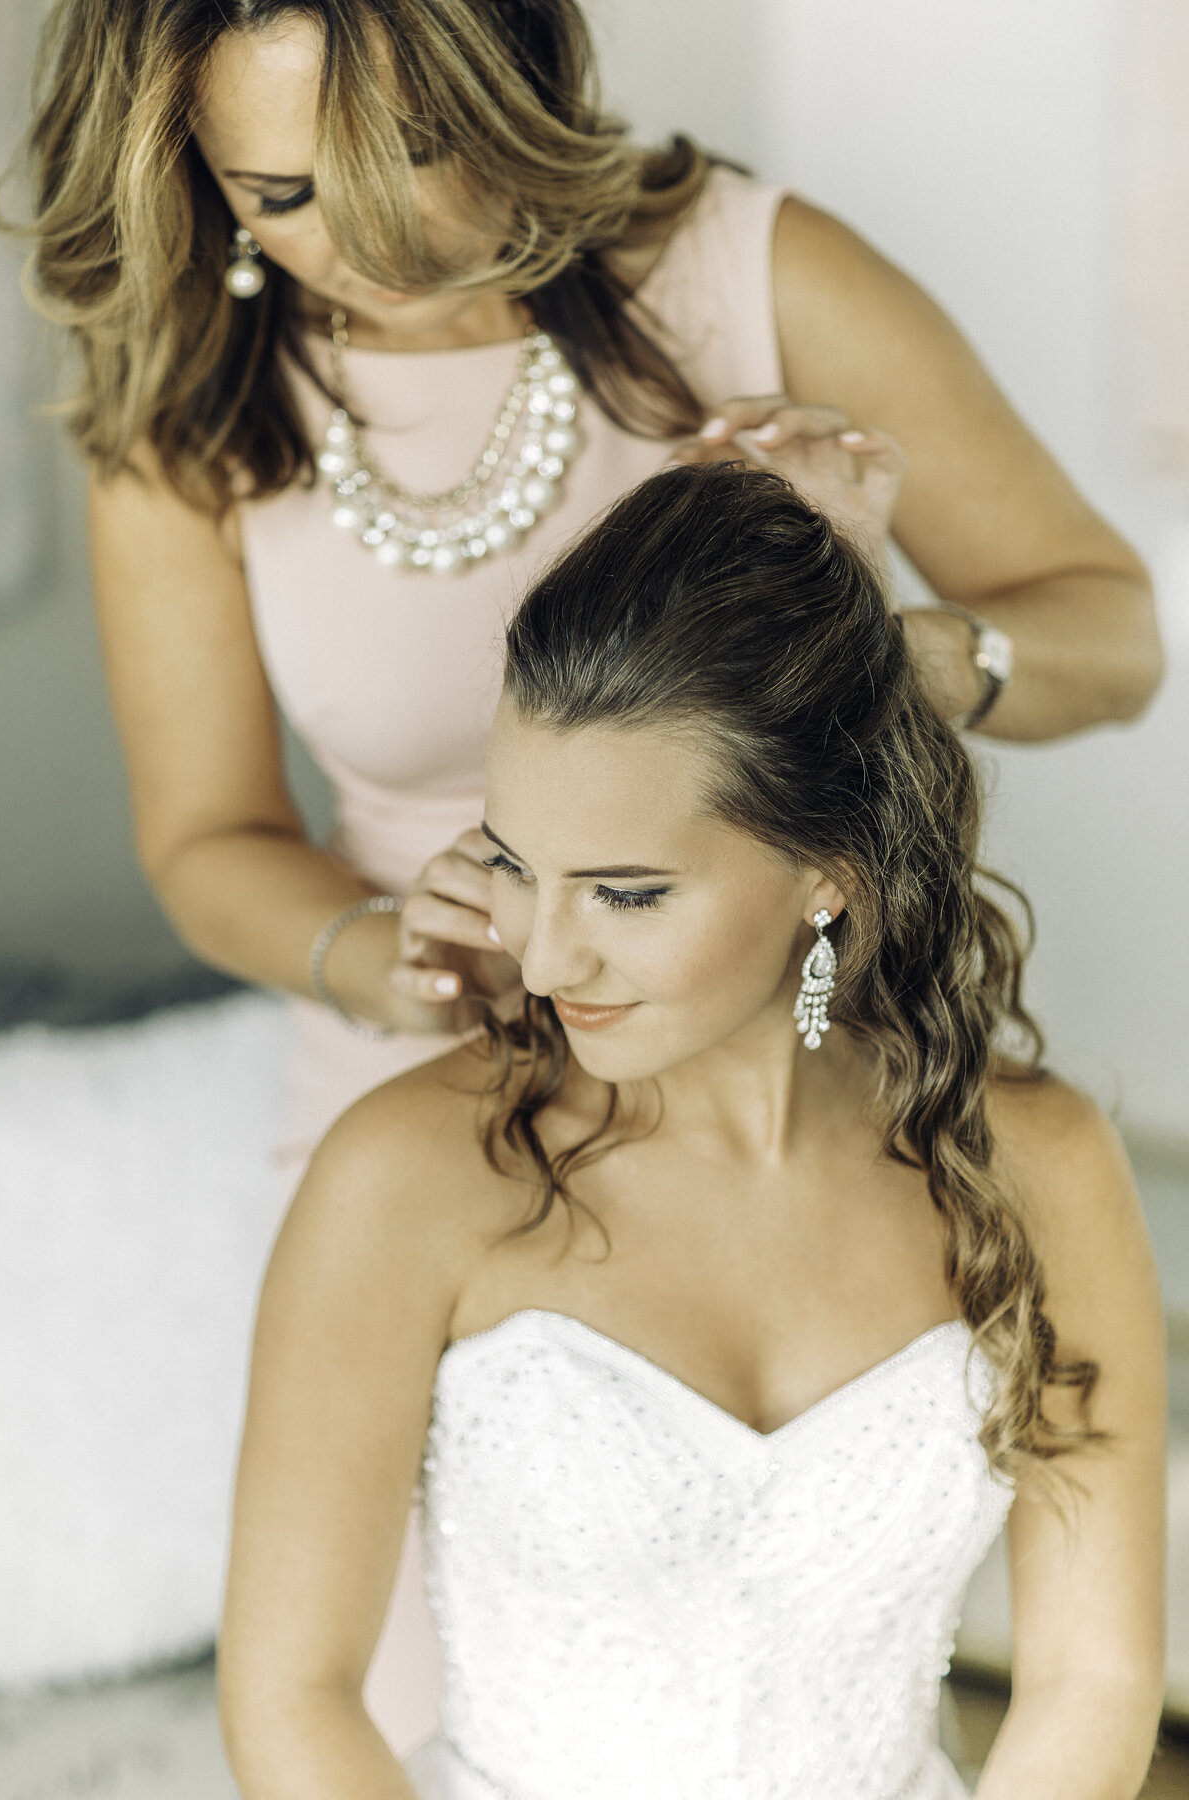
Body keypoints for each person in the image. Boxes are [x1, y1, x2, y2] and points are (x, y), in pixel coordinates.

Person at [10, 0, 1162, 1750]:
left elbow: (1115, 636)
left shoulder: (739, 271)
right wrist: (377, 955)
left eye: (413, 152)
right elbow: (205, 837)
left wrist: (871, 642)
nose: (375, 246)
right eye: (284, 192)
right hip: (421, 1072)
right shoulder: (195, 414)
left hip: (779, 1013)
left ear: (518, 81)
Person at [218, 462, 1165, 1800]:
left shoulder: (1040, 1168)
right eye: (510, 864)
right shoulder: (406, 1177)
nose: (545, 959)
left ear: (825, 874)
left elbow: (1094, 1683)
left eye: (625, 893)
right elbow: (290, 1696)